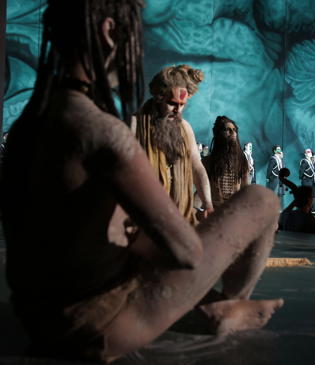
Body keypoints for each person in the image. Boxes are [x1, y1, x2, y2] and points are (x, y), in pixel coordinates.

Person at [0, 1, 283, 362]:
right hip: (95, 328)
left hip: (35, 317)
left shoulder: (30, 123)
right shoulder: (104, 132)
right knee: (262, 201)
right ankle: (232, 305)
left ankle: (216, 306)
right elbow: (187, 253)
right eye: (134, 36)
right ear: (108, 33)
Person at [132, 64, 213, 225]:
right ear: (158, 98)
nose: (177, 110)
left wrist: (208, 203)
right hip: (144, 216)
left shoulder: (185, 128)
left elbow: (196, 167)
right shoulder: (135, 125)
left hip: (179, 215)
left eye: (181, 105)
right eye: (172, 103)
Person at [202, 116, 250, 207]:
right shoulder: (207, 162)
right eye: (227, 129)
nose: (233, 132)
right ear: (218, 133)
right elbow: (202, 189)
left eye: (234, 129)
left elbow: (245, 189)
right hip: (215, 210)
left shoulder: (242, 161)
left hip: (235, 209)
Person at [278, 169, 315, 235]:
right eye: (311, 197)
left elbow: (284, 213)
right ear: (309, 199)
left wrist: (296, 199)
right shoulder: (312, 220)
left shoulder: (287, 216)